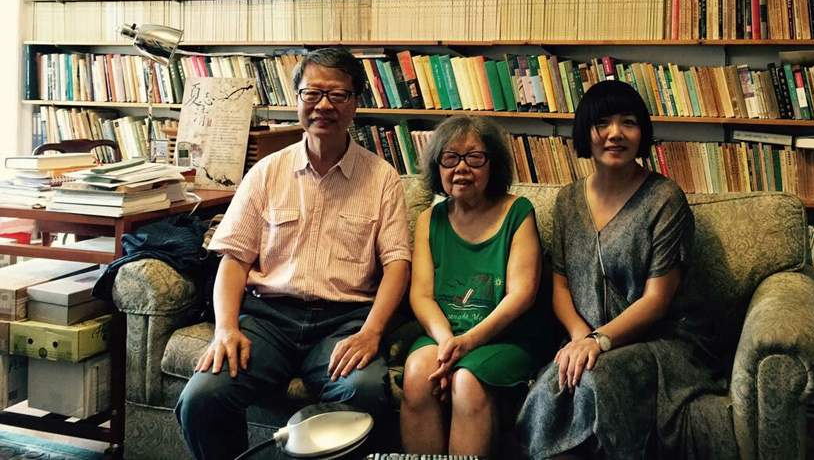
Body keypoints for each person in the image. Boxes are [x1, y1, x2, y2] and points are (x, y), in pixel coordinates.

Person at [175, 48, 412, 460]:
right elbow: (234, 259)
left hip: (343, 321)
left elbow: (397, 265)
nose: (324, 105)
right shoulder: (266, 172)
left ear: (356, 102)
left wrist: (371, 332)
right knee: (202, 397)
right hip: (268, 320)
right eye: (312, 93)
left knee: (363, 392)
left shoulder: (382, 179)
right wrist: (225, 329)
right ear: (297, 98)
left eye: (338, 95)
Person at [516, 80, 737, 459]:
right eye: (602, 123)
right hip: (590, 337)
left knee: (594, 380)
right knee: (555, 382)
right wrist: (580, 336)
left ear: (642, 133)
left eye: (628, 122)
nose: (615, 133)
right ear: (585, 132)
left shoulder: (664, 199)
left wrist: (598, 341)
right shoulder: (568, 200)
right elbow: (560, 285)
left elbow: (657, 300)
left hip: (664, 341)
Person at [401, 115, 546, 457]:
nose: (461, 168)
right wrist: (447, 343)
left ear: (492, 164)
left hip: (505, 338)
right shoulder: (428, 220)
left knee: (466, 380)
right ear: (437, 166)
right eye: (450, 158)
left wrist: (467, 343)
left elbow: (521, 295)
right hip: (444, 334)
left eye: (475, 157)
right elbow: (421, 295)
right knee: (418, 372)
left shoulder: (518, 212)